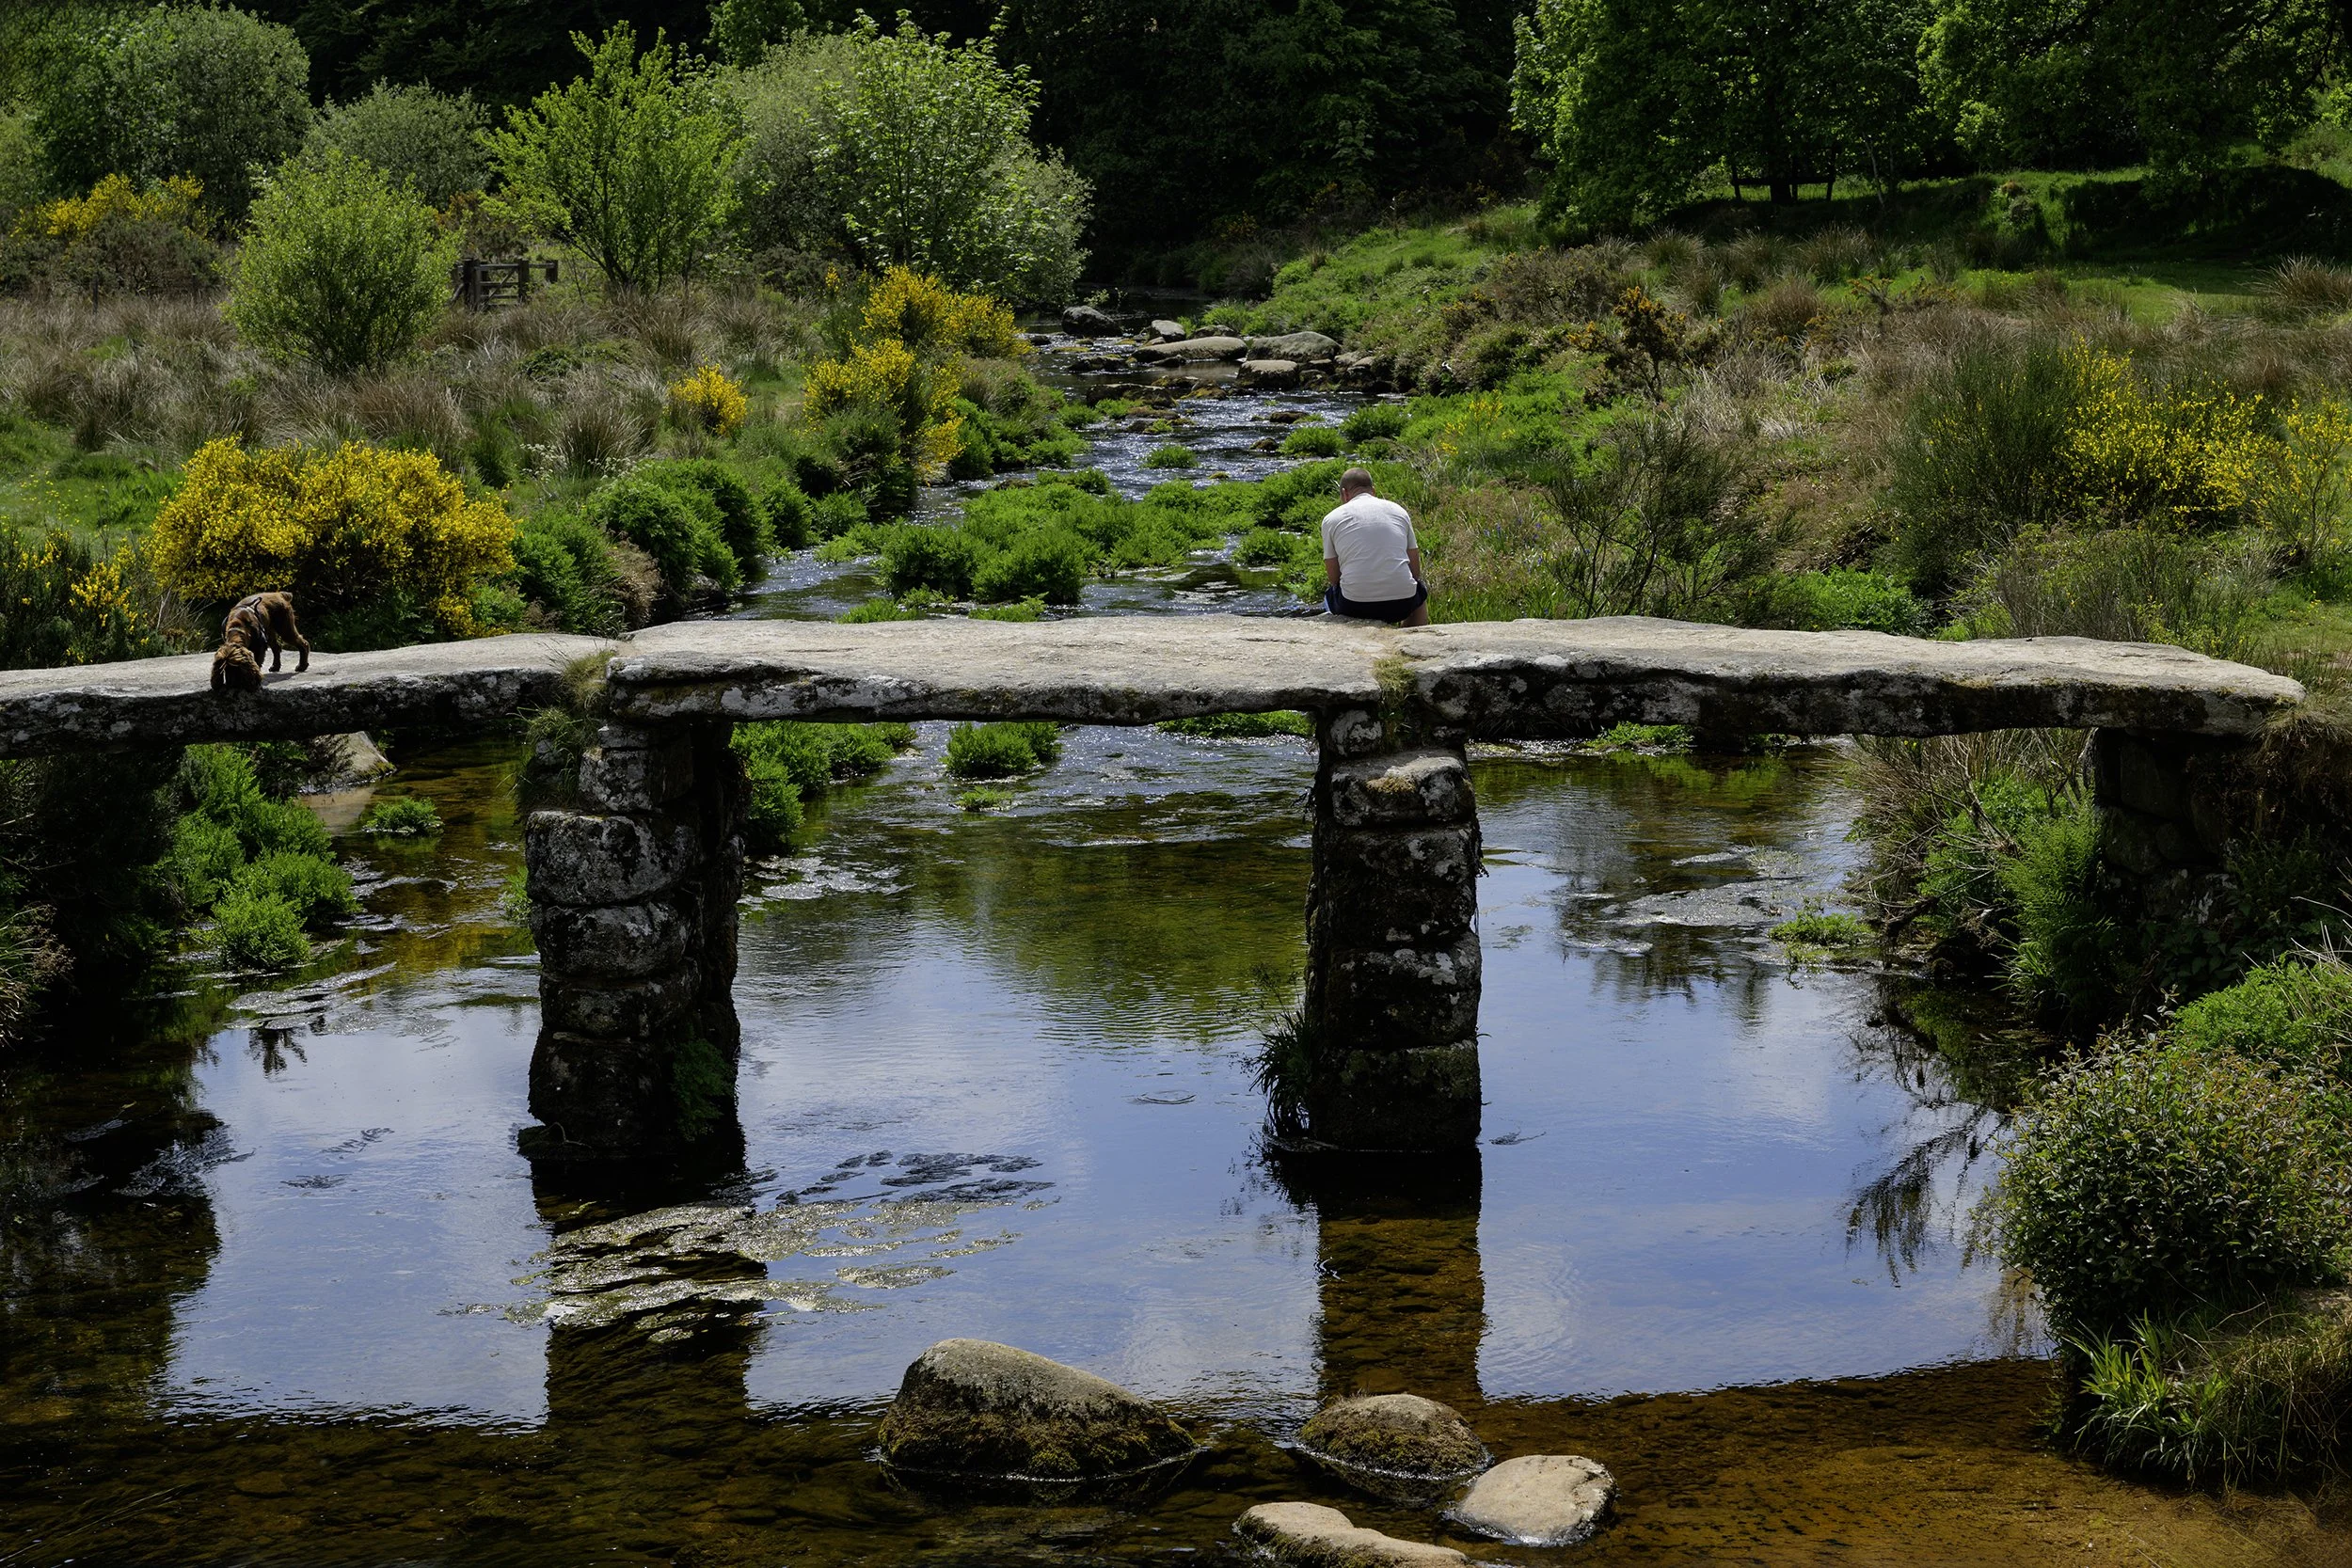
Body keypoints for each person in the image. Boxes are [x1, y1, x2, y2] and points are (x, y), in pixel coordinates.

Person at [1320, 467, 1430, 626]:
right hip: (1403, 603)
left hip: (1353, 605)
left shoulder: (1331, 519)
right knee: (1420, 593)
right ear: (1373, 491)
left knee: (1329, 596)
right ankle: (1410, 637)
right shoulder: (1399, 511)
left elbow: (1334, 578)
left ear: (1344, 493)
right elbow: (1415, 570)